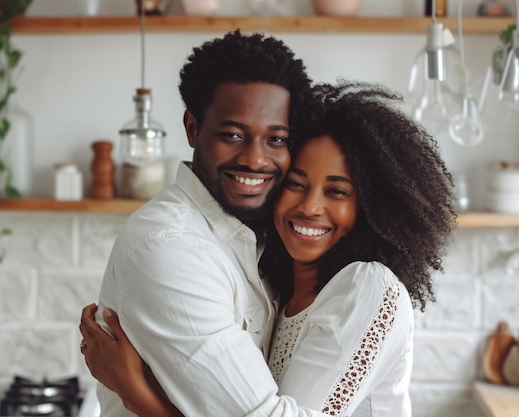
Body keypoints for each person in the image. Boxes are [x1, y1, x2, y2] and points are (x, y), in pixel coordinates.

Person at [79, 80, 457, 416]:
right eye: (296, 183)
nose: (310, 207)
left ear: (373, 210)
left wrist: (136, 394)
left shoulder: (366, 287)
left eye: (337, 191)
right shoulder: (277, 290)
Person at [85, 29, 332, 417]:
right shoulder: (171, 248)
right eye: (233, 134)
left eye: (275, 139)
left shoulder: (263, 237)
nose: (254, 159)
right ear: (192, 128)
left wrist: (140, 397)